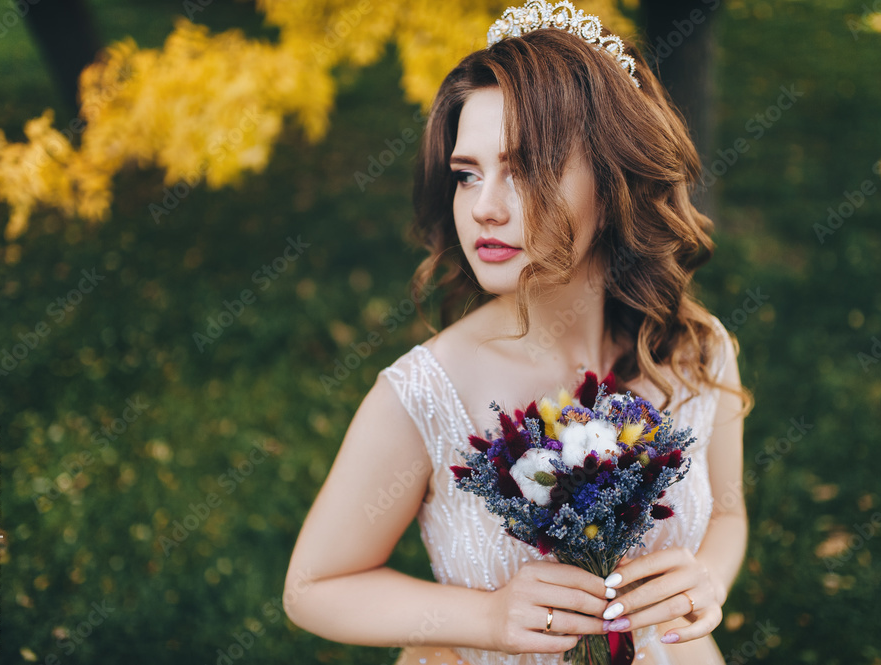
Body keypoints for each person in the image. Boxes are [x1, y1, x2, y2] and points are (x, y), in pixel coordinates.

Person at [283, 2, 752, 663]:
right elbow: (314, 587)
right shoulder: (426, 392)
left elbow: (728, 515)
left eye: (525, 169)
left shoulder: (697, 352)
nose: (483, 207)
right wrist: (486, 616)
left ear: (614, 181)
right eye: (467, 174)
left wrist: (709, 580)